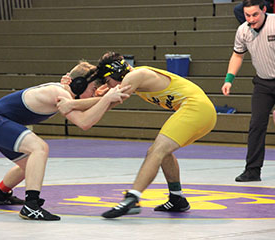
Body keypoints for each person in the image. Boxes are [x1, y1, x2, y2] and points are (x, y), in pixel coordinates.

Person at [58, 52, 217, 218]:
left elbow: (107, 101)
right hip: (200, 110)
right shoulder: (132, 78)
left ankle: (133, 197)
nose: (109, 86)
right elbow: (105, 101)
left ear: (116, 73)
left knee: (155, 152)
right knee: (163, 152)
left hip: (196, 109)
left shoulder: (135, 76)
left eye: (107, 81)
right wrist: (71, 92)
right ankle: (177, 198)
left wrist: (71, 104)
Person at [0, 61, 130, 221]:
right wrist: (106, 99)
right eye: (93, 90)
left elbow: (87, 109)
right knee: (39, 148)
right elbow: (84, 123)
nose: (94, 95)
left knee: (30, 165)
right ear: (78, 84)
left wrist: (106, 98)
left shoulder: (65, 91)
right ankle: (31, 206)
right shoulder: (59, 93)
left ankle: (0, 194)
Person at [221, 0, 275, 182]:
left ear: (264, 10)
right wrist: (229, 80)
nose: (251, 19)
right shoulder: (243, 30)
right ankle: (252, 171)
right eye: (247, 15)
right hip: (263, 83)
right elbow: (237, 55)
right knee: (256, 125)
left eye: (255, 14)